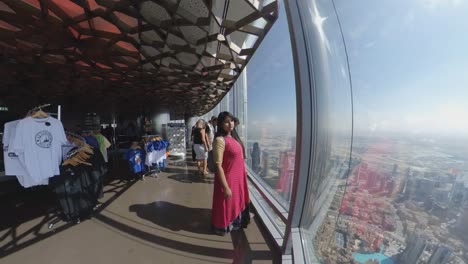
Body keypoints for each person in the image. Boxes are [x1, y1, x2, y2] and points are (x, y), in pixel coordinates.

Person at [211, 111, 250, 235]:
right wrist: (225, 187)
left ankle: (236, 221)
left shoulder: (234, 137)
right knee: (227, 204)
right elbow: (218, 166)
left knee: (236, 201)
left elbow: (238, 158)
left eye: (231, 121)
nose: (230, 124)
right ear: (221, 124)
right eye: (226, 122)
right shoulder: (220, 140)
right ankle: (225, 225)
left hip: (238, 177)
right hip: (228, 179)